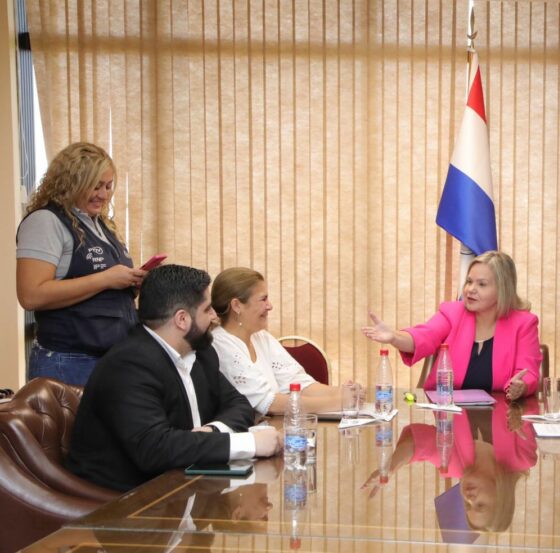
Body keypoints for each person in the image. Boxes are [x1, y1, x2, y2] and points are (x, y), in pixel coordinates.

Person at [66, 264, 282, 492]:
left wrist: (212, 432)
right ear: (182, 319)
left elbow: (239, 405)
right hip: (126, 503)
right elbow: (155, 448)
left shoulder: (201, 352)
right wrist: (248, 444)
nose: (215, 317)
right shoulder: (128, 365)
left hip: (188, 487)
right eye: (207, 309)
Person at [16, 142, 147, 385]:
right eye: (95, 186)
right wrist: (107, 279)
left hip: (109, 358)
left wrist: (129, 283)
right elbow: (31, 295)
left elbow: (104, 287)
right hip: (68, 361)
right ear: (71, 183)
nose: (103, 195)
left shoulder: (100, 224)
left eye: (108, 186)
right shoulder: (46, 222)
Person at [362, 251, 541, 401]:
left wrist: (521, 387)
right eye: (469, 281)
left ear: (502, 289)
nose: (471, 289)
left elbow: (528, 372)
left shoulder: (524, 323)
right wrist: (394, 337)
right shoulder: (453, 313)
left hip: (502, 418)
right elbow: (424, 336)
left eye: (482, 284)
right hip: (449, 418)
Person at [362, 399, 537, 534]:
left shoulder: (452, 464)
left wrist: (390, 467)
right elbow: (530, 408)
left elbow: (418, 443)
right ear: (501, 498)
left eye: (467, 506)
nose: (469, 498)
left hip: (455, 373)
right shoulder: (521, 457)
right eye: (480, 505)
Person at [210, 267, 358, 415]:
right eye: (263, 299)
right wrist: (339, 402)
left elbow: (298, 383)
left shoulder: (261, 337)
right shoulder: (220, 345)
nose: (270, 306)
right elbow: (269, 403)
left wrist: (345, 392)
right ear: (237, 305)